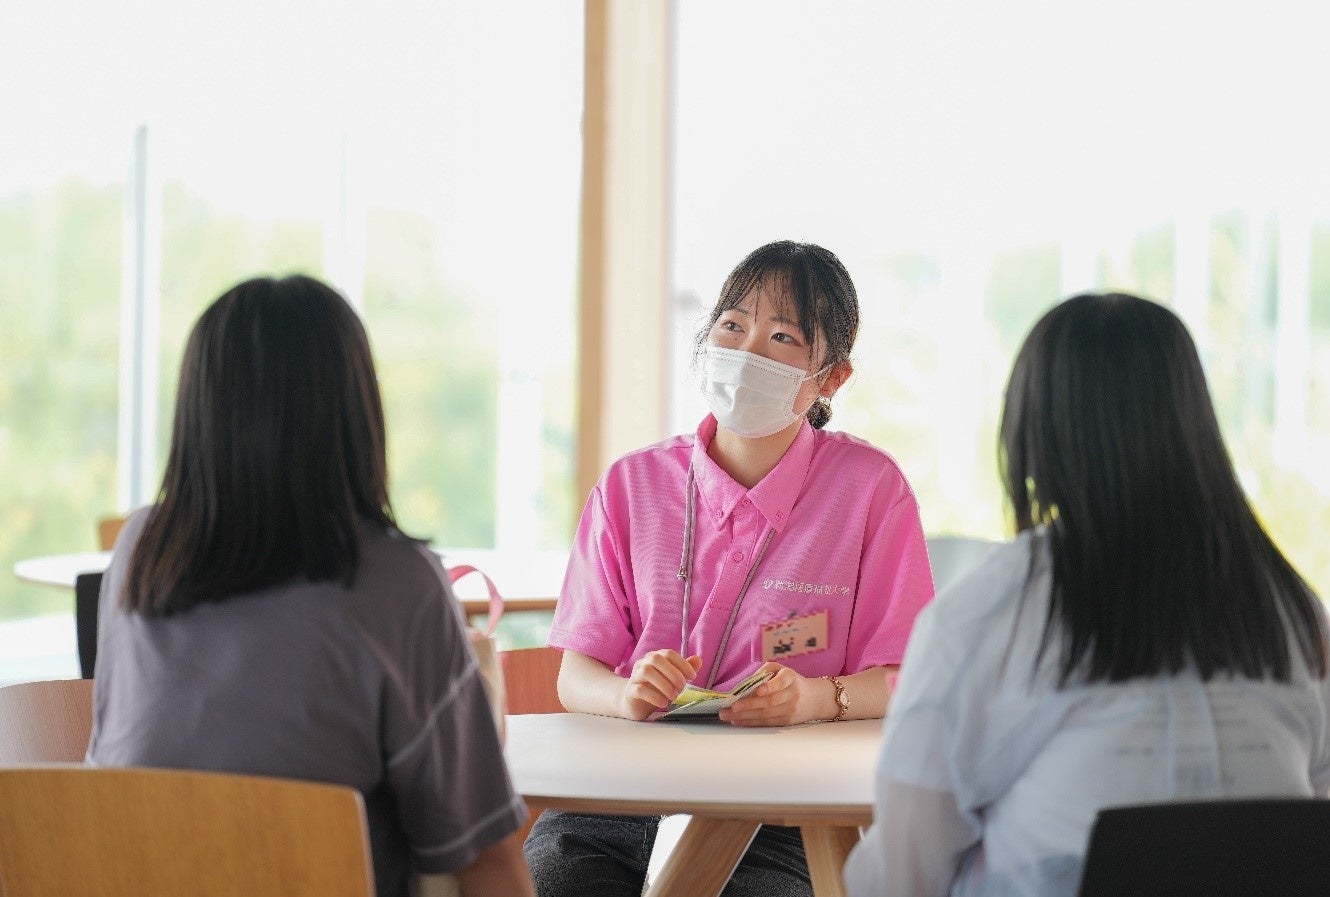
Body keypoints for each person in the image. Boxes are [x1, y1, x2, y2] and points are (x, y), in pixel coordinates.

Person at [845, 292, 1330, 897]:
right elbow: (1308, 805)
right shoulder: (1291, 608)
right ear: (1195, 423)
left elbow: (904, 873)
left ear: (1034, 429)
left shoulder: (994, 608)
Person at [86, 275, 536, 897]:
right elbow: (482, 857)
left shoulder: (141, 550)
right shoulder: (395, 584)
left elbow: (111, 762)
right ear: (354, 409)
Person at [525, 240, 936, 897]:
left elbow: (909, 681)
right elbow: (577, 672)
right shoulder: (632, 485)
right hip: (618, 804)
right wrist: (626, 695)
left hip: (783, 816)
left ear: (831, 378)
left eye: (782, 337)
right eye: (732, 325)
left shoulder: (869, 490)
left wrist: (813, 699)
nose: (746, 351)